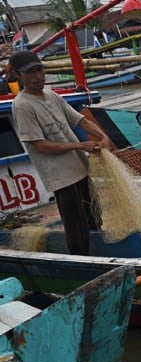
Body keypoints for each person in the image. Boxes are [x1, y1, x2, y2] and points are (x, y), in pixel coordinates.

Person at [10, 50, 115, 256]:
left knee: (94, 216)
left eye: (40, 70)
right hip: (61, 177)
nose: (38, 76)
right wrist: (81, 146)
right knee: (76, 226)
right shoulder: (22, 105)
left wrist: (103, 137)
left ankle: (101, 254)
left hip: (79, 169)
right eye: (31, 72)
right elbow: (41, 146)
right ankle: (81, 262)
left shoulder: (51, 94)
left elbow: (80, 120)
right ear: (18, 75)